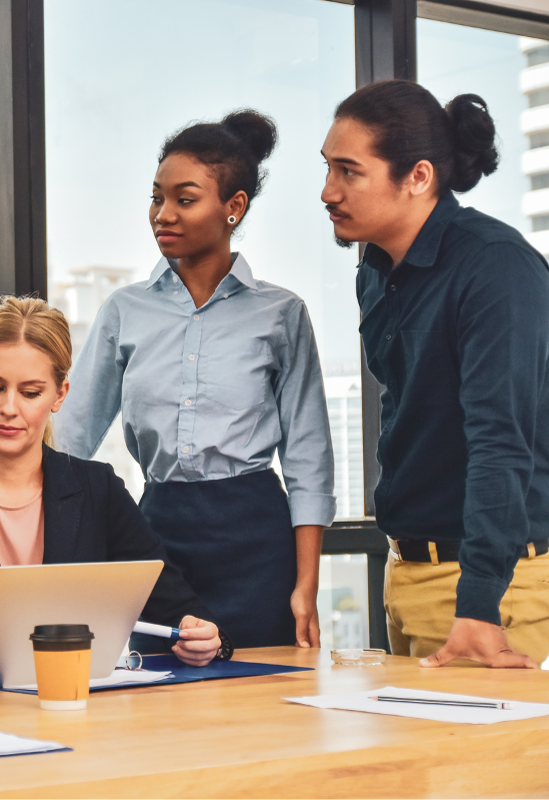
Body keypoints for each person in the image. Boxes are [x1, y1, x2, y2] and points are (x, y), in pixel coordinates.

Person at [56, 111, 336, 650]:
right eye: (156, 198)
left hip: (257, 539)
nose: (163, 214)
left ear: (234, 207)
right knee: (158, 703)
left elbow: (308, 458)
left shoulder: (281, 313)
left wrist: (306, 585)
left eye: (184, 199)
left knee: (262, 704)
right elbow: (71, 436)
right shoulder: (125, 310)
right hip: (157, 534)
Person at [322, 80, 549, 669]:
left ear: (418, 176)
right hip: (408, 577)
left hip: (493, 591)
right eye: (328, 169)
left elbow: (501, 443)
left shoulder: (495, 267)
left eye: (349, 172)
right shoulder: (373, 271)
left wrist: (477, 606)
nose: (328, 191)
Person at [0, 296, 229, 667]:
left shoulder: (98, 490)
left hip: (79, 706)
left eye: (30, 393)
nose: (9, 407)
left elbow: (175, 605)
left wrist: (200, 634)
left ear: (59, 395)